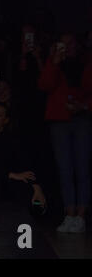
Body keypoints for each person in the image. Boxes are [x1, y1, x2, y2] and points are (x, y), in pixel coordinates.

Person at [38, 32, 92, 233]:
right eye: (63, 43)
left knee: (82, 169)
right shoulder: (55, 62)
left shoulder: (86, 63)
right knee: (64, 170)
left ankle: (81, 215)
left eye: (71, 43)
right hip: (59, 121)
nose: (67, 47)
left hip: (82, 120)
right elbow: (44, 85)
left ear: (77, 45)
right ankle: (69, 214)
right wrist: (54, 62)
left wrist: (83, 106)